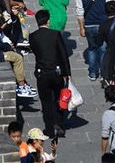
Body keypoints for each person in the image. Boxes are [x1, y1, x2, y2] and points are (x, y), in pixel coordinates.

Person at [29, 8, 71, 140]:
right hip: (56, 72)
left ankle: (49, 129)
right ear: (48, 21)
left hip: (42, 74)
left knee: (46, 102)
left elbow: (35, 52)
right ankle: (59, 126)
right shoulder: (55, 34)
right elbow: (63, 55)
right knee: (59, 99)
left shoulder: (33, 36)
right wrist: (67, 72)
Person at [76, 0, 111, 81]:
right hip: (102, 25)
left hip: (89, 26)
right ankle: (103, 72)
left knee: (91, 49)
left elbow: (80, 13)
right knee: (103, 49)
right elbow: (110, 6)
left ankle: (92, 73)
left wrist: (81, 28)